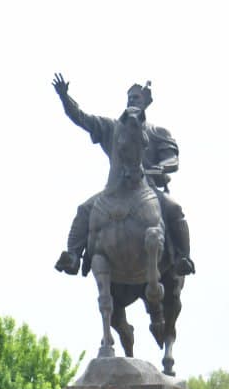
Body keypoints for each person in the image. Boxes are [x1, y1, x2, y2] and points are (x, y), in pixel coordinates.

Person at [51, 74, 194, 277]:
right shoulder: (111, 127)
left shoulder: (157, 132)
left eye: (136, 98)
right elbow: (81, 118)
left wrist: (161, 169)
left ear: (145, 103)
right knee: (84, 210)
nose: (131, 101)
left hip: (148, 188)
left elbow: (172, 160)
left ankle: (182, 257)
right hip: (115, 189)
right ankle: (74, 255)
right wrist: (65, 97)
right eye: (129, 98)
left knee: (175, 210)